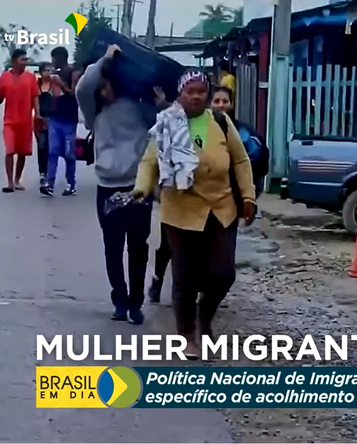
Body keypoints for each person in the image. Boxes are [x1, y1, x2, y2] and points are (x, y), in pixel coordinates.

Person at [133, 69, 256, 358]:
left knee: (223, 273)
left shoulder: (220, 121)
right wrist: (141, 189)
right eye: (191, 91)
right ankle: (187, 334)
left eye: (202, 91)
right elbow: (150, 161)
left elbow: (240, 160)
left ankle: (204, 318)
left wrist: (248, 195)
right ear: (180, 94)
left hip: (221, 207)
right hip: (181, 208)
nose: (197, 96)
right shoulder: (166, 123)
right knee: (185, 277)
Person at [147, 85, 269, 303]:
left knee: (218, 264)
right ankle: (160, 280)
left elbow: (252, 162)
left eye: (225, 101)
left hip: (220, 203)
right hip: (180, 202)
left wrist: (248, 196)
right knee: (169, 248)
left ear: (232, 104)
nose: (221, 105)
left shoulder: (236, 130)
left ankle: (202, 304)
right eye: (217, 101)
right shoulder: (179, 123)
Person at [75, 44, 170, 324]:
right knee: (112, 246)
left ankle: (135, 303)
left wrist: (162, 104)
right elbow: (82, 89)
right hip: (107, 184)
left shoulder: (141, 110)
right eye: (100, 84)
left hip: (137, 187)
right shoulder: (95, 111)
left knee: (138, 247)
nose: (101, 88)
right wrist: (104, 60)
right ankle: (119, 299)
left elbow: (164, 122)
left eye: (105, 83)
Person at [41, 46, 80, 197]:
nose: (52, 62)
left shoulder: (73, 73)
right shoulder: (54, 74)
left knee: (69, 153)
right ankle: (49, 184)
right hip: (55, 118)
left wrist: (61, 84)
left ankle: (71, 184)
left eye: (54, 58)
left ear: (61, 58)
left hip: (69, 120)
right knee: (53, 152)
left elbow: (75, 94)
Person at [0, 49, 40, 193]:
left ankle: (17, 180)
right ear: (14, 61)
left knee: (22, 153)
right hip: (10, 121)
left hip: (25, 121)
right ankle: (10, 182)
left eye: (26, 59)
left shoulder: (30, 78)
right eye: (22, 59)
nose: (25, 62)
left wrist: (37, 115)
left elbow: (35, 97)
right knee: (10, 151)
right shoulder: (4, 77)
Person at [35, 62, 58, 186]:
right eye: (46, 70)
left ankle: (50, 172)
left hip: (52, 119)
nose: (49, 73)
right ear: (41, 72)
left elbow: (58, 100)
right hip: (39, 120)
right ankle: (42, 173)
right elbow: (33, 99)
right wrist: (38, 115)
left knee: (51, 147)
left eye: (51, 70)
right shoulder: (36, 84)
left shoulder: (54, 85)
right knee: (41, 146)